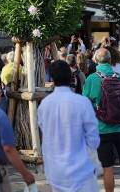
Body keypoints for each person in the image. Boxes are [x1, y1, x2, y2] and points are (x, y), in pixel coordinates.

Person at [38, 60, 100, 192]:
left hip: (55, 170)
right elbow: (93, 137)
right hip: (81, 169)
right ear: (71, 77)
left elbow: (44, 132)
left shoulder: (44, 104)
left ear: (52, 79)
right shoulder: (82, 102)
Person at [82, 48, 120, 192]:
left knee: (108, 168)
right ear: (110, 59)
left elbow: (85, 103)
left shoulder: (92, 79)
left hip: (102, 128)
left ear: (95, 60)